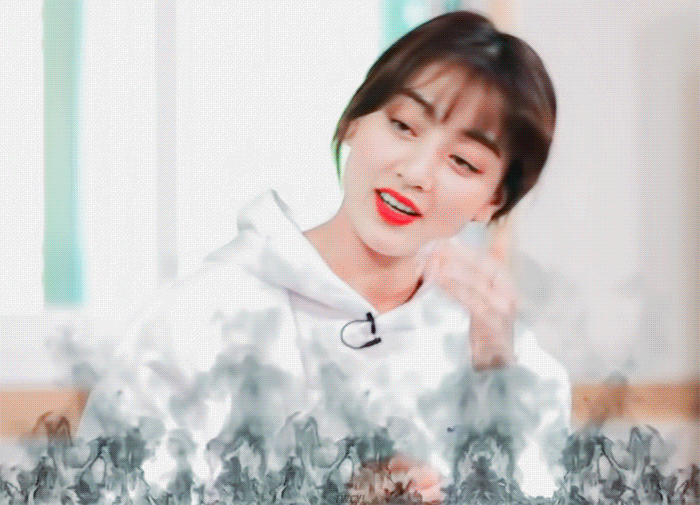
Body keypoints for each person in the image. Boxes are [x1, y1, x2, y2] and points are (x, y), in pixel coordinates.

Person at [79, 11, 570, 502]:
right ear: (356, 120)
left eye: (462, 161)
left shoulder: (510, 366)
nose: (417, 173)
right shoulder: (199, 318)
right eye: (403, 125)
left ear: (493, 200)